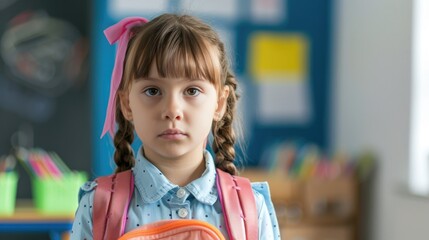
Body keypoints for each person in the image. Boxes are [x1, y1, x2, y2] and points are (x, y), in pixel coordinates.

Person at [71, 13, 280, 239]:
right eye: (152, 91)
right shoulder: (97, 205)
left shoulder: (251, 208)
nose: (172, 110)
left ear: (219, 103)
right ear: (126, 103)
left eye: (192, 91)